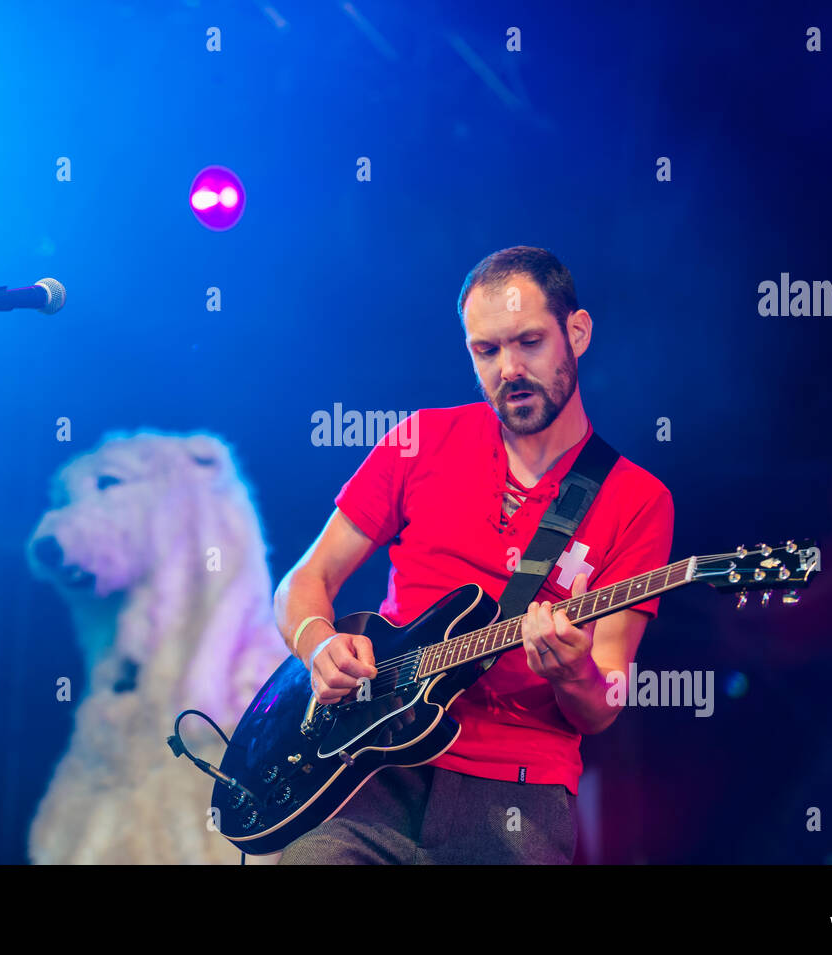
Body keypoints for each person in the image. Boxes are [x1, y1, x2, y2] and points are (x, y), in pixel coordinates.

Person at [273, 246, 675, 864]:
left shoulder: (639, 500)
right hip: (372, 771)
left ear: (577, 332)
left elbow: (605, 701)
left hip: (519, 786)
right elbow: (305, 580)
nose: (509, 368)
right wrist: (318, 644)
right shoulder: (419, 442)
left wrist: (575, 673)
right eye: (486, 350)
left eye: (529, 342)